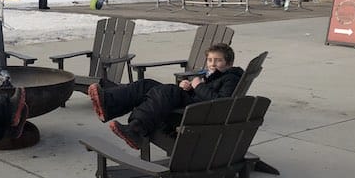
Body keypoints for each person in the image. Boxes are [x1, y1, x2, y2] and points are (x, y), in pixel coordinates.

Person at [87, 43, 243, 150]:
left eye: (218, 60)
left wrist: (198, 86)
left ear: (229, 63)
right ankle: (108, 103)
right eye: (210, 60)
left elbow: (221, 102)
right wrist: (189, 87)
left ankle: (136, 130)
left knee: (166, 91)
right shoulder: (220, 75)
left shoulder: (231, 78)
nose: (212, 64)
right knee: (146, 85)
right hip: (195, 103)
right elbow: (208, 92)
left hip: (196, 112)